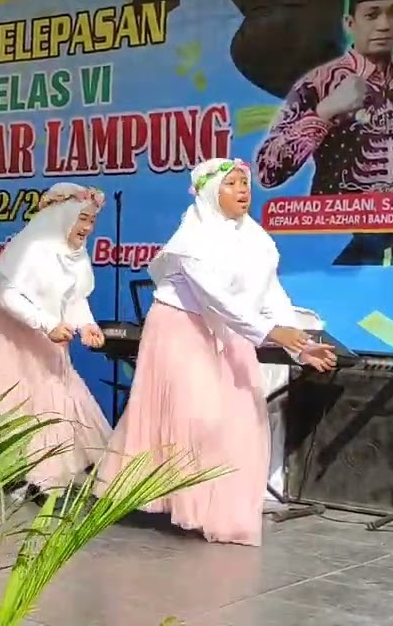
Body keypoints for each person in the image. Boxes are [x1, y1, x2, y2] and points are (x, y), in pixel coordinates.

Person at [97, 158, 337, 546]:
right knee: (199, 418)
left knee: (243, 418)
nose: (244, 190)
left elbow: (270, 295)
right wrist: (273, 332)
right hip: (183, 327)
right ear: (211, 192)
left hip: (233, 330)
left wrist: (302, 344)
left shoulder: (255, 238)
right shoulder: (193, 239)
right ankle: (178, 502)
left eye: (246, 182)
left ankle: (220, 512)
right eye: (233, 183)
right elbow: (218, 299)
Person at [0, 182, 109, 497]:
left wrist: (87, 324)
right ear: (62, 215)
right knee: (0, 398)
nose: (87, 227)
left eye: (91, 221)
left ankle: (39, 476)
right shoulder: (29, 246)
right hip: (5, 334)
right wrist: (45, 323)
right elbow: (7, 294)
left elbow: (73, 297)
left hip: (44, 336)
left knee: (48, 397)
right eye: (82, 218)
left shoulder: (73, 254)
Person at [254, 0, 393, 265]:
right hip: (343, 232)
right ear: (350, 22)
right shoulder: (319, 84)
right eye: (372, 14)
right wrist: (325, 111)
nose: (384, 24)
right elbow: (267, 171)